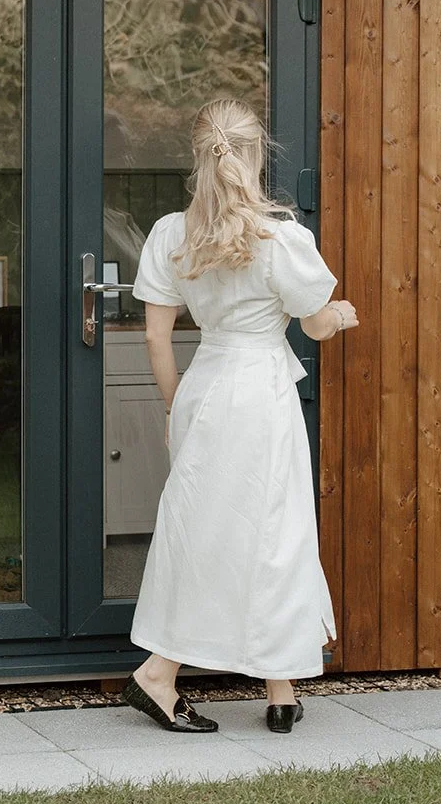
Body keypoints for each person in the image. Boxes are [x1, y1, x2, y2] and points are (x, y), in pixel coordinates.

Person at [121, 98, 358, 736]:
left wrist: (176, 407)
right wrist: (337, 317)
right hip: (260, 392)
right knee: (271, 534)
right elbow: (312, 320)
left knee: (209, 530)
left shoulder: (171, 234)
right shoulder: (281, 237)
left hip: (204, 386)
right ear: (255, 155)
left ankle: (275, 686)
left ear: (199, 159)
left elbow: (154, 338)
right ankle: (173, 676)